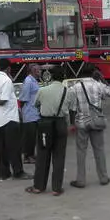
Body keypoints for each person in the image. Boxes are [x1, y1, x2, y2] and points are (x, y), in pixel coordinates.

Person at [25, 67, 75, 196]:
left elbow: (36, 104)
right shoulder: (68, 92)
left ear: (51, 77)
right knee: (59, 157)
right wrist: (71, 124)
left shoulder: (43, 90)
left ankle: (38, 187)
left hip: (45, 125)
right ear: (64, 78)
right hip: (60, 124)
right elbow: (72, 109)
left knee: (42, 155)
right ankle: (56, 188)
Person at [0, 59, 32, 181]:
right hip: (9, 119)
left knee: (2, 149)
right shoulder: (6, 80)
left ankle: (4, 174)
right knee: (15, 147)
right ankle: (18, 172)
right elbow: (4, 99)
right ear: (8, 69)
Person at [69, 65, 110, 188]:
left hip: (81, 123)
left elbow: (72, 108)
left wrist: (72, 123)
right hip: (96, 122)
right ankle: (103, 177)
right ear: (94, 73)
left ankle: (81, 180)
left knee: (81, 152)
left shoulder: (75, 87)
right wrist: (102, 79)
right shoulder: (99, 85)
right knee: (99, 150)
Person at [18, 64, 41, 164]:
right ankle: (27, 157)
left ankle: (31, 154)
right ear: (33, 71)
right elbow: (23, 99)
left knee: (33, 136)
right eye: (38, 70)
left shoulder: (34, 81)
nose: (40, 72)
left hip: (34, 113)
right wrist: (24, 112)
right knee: (29, 137)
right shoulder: (28, 81)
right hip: (29, 114)